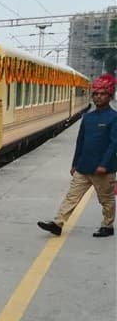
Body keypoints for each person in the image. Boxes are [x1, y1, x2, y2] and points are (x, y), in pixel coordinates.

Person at [38, 74, 117, 238]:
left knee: (106, 200)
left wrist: (104, 164)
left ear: (110, 95)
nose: (98, 96)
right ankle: (58, 223)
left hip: (103, 169)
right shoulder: (88, 117)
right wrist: (75, 163)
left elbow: (113, 144)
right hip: (84, 166)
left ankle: (107, 226)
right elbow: (80, 141)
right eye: (95, 93)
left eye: (102, 93)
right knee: (71, 197)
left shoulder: (114, 117)